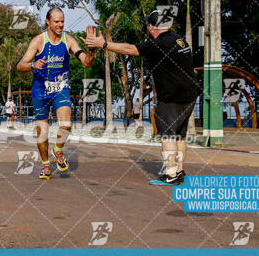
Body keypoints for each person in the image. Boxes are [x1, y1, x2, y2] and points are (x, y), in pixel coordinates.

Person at [85, 11, 200, 185]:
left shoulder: (159, 44)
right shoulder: (178, 39)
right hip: (190, 95)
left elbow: (130, 49)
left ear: (152, 27)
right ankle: (179, 171)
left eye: (148, 25)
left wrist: (104, 44)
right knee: (179, 136)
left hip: (172, 96)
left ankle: (170, 175)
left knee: (168, 135)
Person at [17, 7, 95, 179]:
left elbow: (86, 62)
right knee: (42, 132)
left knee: (66, 124)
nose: (60, 25)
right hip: (40, 92)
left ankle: (58, 149)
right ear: (48, 22)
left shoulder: (68, 40)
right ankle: (46, 165)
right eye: (57, 21)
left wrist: (91, 51)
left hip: (61, 88)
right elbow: (20, 65)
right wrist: (32, 65)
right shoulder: (38, 41)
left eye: (62, 21)